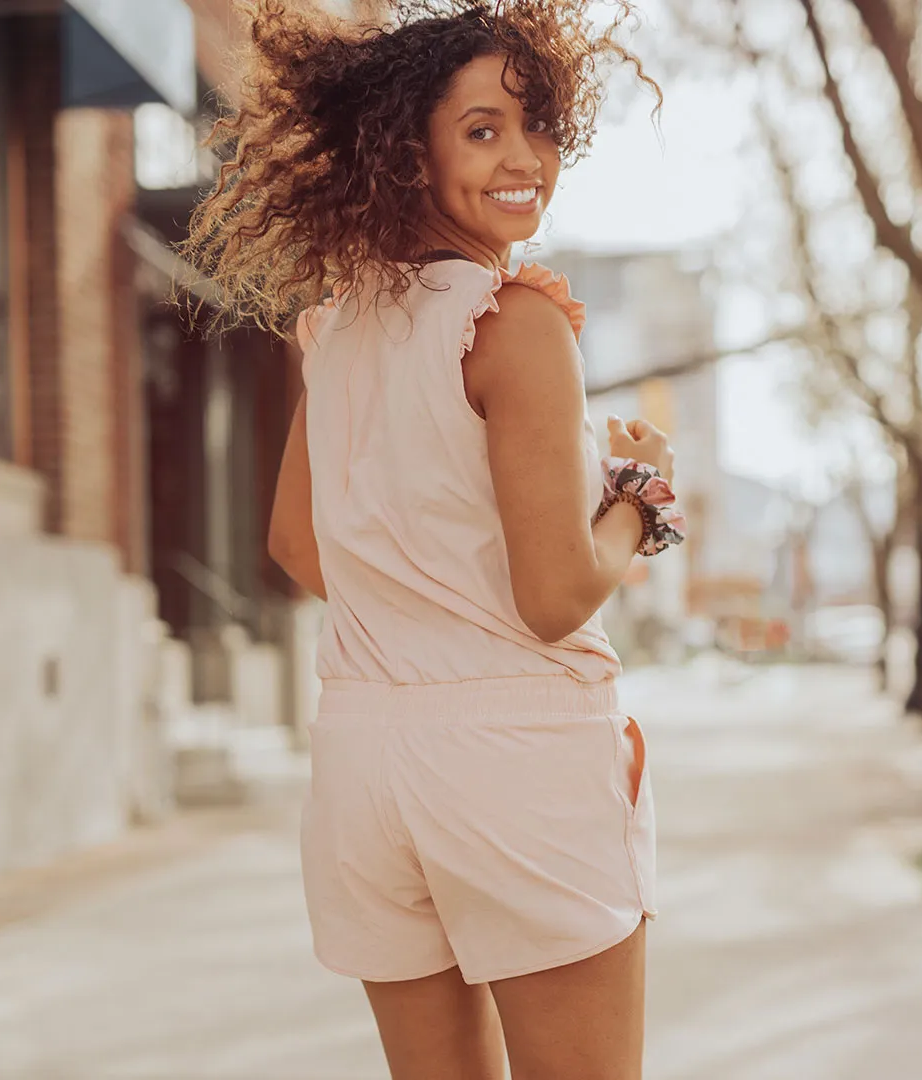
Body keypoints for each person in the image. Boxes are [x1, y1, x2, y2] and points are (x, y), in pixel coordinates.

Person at [184, 2, 684, 1077]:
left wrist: (419, 608)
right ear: (409, 154)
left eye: (538, 125)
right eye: (482, 129)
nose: (525, 158)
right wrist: (641, 501)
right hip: (517, 762)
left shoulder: (340, 325)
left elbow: (297, 545)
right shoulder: (515, 322)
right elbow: (555, 597)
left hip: (365, 763)